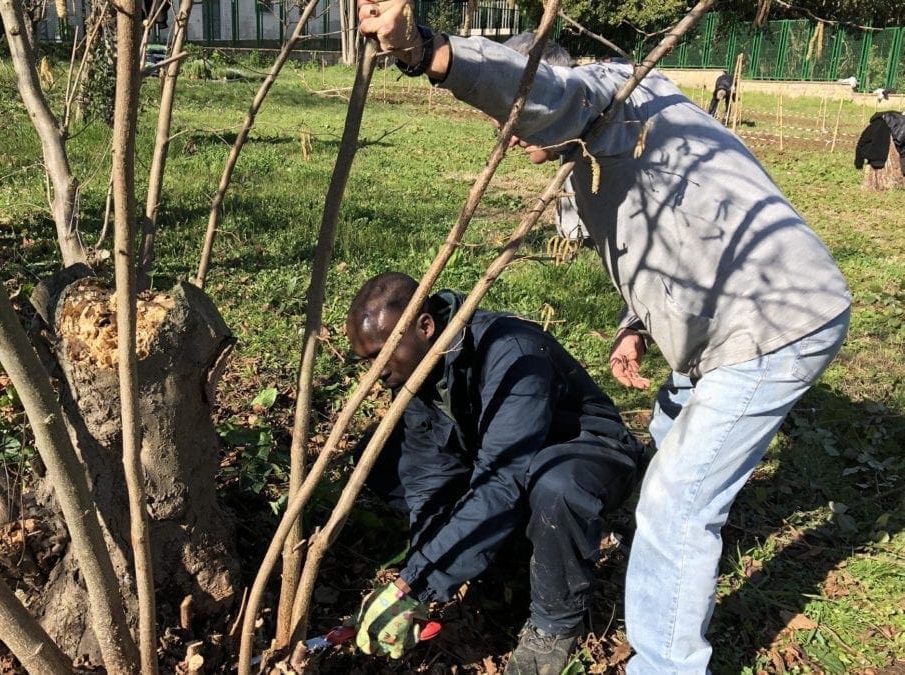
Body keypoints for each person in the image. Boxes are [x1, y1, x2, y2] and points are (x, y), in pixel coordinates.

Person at [355, 4, 852, 673]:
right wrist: (633, 325)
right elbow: (652, 240)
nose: (519, 143)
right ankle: (633, 543)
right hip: (723, 320)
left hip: (775, 319)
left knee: (677, 506)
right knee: (668, 454)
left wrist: (424, 52)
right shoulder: (601, 152)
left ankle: (665, 660)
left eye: (521, 127)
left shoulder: (609, 97)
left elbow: (544, 93)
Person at [348, 272, 645, 673]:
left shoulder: (513, 352)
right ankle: (511, 540)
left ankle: (556, 623)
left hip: (584, 448)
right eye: (366, 361)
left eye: (381, 355)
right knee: (381, 457)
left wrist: (416, 583)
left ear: (425, 325)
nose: (375, 372)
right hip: (500, 452)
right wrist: (416, 576)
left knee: (554, 487)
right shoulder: (419, 364)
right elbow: (425, 476)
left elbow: (503, 477)